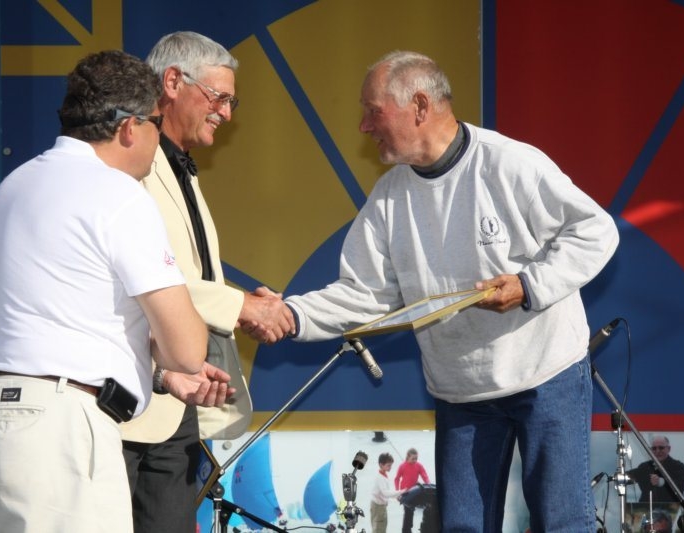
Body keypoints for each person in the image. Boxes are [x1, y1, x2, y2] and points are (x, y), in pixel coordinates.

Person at [255, 50, 619, 531]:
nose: (364, 126)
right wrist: (290, 315)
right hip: (461, 391)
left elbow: (596, 231)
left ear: (420, 106)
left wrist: (529, 285)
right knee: (462, 527)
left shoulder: (509, 163)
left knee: (562, 524)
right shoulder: (389, 197)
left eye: (373, 111)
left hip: (547, 373)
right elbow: (365, 294)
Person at [0, 50, 209, 533]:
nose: (158, 141)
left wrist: (154, 368)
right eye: (156, 123)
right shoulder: (120, 194)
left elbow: (58, 318)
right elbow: (188, 350)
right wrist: (172, 354)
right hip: (53, 429)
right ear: (129, 128)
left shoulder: (14, 186)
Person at [119, 31, 295, 533]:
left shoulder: (183, 168)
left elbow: (189, 275)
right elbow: (144, 273)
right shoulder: (128, 164)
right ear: (173, 82)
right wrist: (242, 307)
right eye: (219, 97)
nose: (226, 113)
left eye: (232, 102)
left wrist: (241, 303)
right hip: (127, 402)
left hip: (180, 405)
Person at [630, 435, 684, 503]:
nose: (657, 451)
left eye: (661, 448)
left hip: (671, 507)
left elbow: (678, 487)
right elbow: (628, 477)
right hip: (646, 508)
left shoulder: (680, 468)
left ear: (669, 449)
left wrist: (661, 482)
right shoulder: (643, 467)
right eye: (654, 448)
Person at [395, 448, 431, 533]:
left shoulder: (418, 465)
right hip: (406, 493)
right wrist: (397, 492)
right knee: (408, 513)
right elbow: (397, 479)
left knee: (428, 505)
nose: (415, 460)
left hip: (415, 491)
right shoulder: (402, 466)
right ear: (408, 457)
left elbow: (424, 475)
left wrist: (428, 484)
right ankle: (406, 530)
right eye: (413, 459)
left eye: (416, 458)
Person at [371, 453, 405, 533]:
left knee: (381, 528)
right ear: (381, 465)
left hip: (380, 506)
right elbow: (386, 493)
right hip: (378, 508)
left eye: (391, 465)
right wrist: (401, 491)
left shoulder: (384, 475)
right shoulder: (380, 478)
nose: (390, 467)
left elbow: (385, 493)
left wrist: (396, 496)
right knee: (379, 530)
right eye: (388, 465)